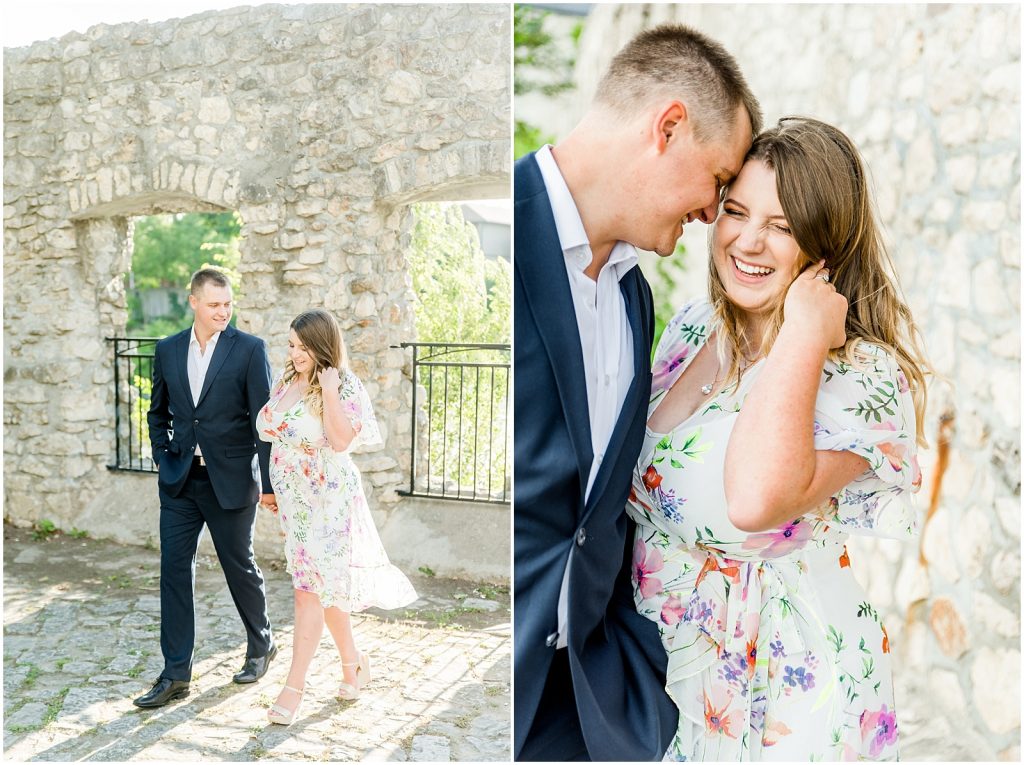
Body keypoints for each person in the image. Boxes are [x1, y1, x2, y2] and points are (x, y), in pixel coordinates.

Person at [628, 117, 930, 760]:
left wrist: (800, 334)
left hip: (784, 690)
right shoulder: (691, 330)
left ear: (825, 247)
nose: (749, 241)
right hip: (663, 668)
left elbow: (756, 500)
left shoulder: (861, 375)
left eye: (784, 227)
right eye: (736, 212)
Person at [514, 23, 762, 761]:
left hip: (592, 700)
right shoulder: (505, 232)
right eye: (720, 182)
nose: (715, 215)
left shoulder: (636, 301)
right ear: (669, 126)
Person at [256, 308, 417, 725]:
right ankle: (353, 664)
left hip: (328, 499)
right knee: (323, 587)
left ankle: (294, 689)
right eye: (291, 346)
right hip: (294, 502)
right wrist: (271, 488)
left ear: (322, 346)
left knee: (308, 589)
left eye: (302, 347)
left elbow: (342, 441)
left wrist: (327, 390)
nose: (294, 354)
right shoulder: (285, 380)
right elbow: (273, 435)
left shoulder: (344, 384)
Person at [135, 268, 277, 709]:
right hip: (180, 481)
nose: (223, 311)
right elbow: (158, 412)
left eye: (228, 304)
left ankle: (261, 644)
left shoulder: (250, 350)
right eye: (214, 304)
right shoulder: (167, 349)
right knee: (174, 572)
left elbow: (263, 425)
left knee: (239, 565)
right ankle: (175, 674)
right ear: (193, 302)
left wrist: (269, 484)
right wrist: (164, 456)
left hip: (231, 481)